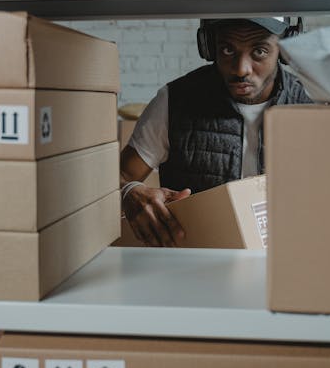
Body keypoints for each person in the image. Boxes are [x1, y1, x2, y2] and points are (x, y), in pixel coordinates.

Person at [120, 16, 311, 247]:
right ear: (209, 46)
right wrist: (130, 193)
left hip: (286, 263)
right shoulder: (175, 102)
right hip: (193, 268)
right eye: (228, 49)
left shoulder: (312, 108)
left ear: (284, 48)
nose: (241, 69)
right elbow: (117, 179)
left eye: (259, 51)